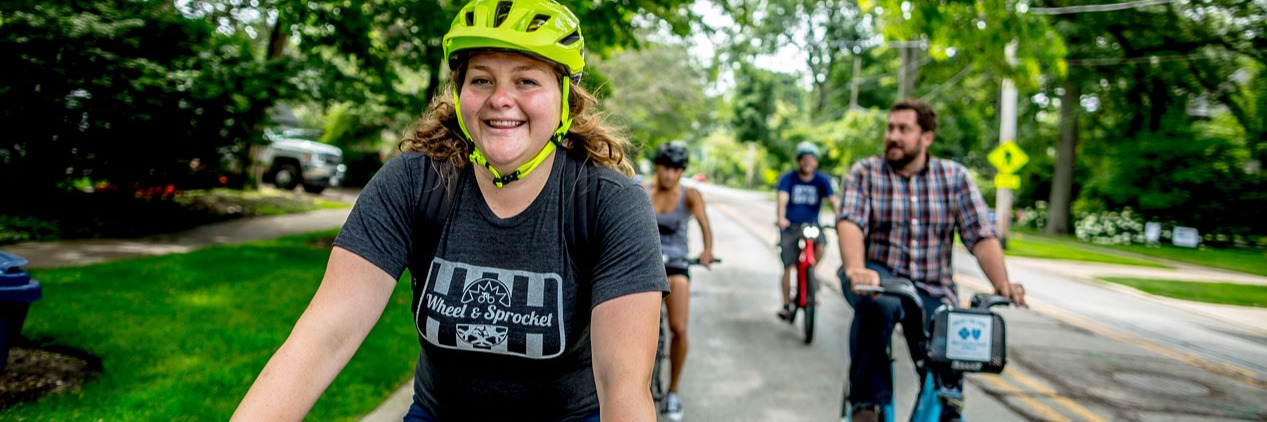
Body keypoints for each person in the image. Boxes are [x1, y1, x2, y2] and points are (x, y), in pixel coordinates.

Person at [231, 1, 668, 421]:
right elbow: (322, 339)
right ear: (460, 95)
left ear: (565, 102)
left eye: (526, 81)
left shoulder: (608, 202)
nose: (500, 99)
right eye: (481, 80)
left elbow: (623, 385)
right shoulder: (413, 182)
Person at [836, 98, 1027, 422]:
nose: (893, 136)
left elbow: (980, 234)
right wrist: (856, 268)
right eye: (890, 128)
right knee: (876, 306)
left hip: (933, 288)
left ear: (926, 137)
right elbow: (851, 222)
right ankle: (865, 405)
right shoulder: (866, 172)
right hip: (878, 275)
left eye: (903, 129)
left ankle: (947, 403)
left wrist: (1001, 283)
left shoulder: (954, 177)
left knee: (948, 361)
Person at [644, 141, 715, 421]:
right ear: (658, 166)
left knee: (679, 328)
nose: (669, 174)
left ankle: (673, 391)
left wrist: (708, 251)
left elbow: (704, 225)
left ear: (682, 171)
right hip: (645, 265)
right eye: (665, 167)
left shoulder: (691, 195)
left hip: (676, 264)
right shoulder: (643, 190)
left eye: (675, 169)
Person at [775, 142, 839, 321]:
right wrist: (781, 218)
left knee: (821, 246)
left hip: (812, 225)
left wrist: (841, 219)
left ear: (816, 162)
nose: (807, 163)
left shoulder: (822, 180)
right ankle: (786, 304)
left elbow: (833, 200)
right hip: (791, 226)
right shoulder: (789, 178)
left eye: (811, 160)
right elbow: (782, 199)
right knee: (787, 265)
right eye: (804, 160)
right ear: (799, 161)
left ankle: (811, 274)